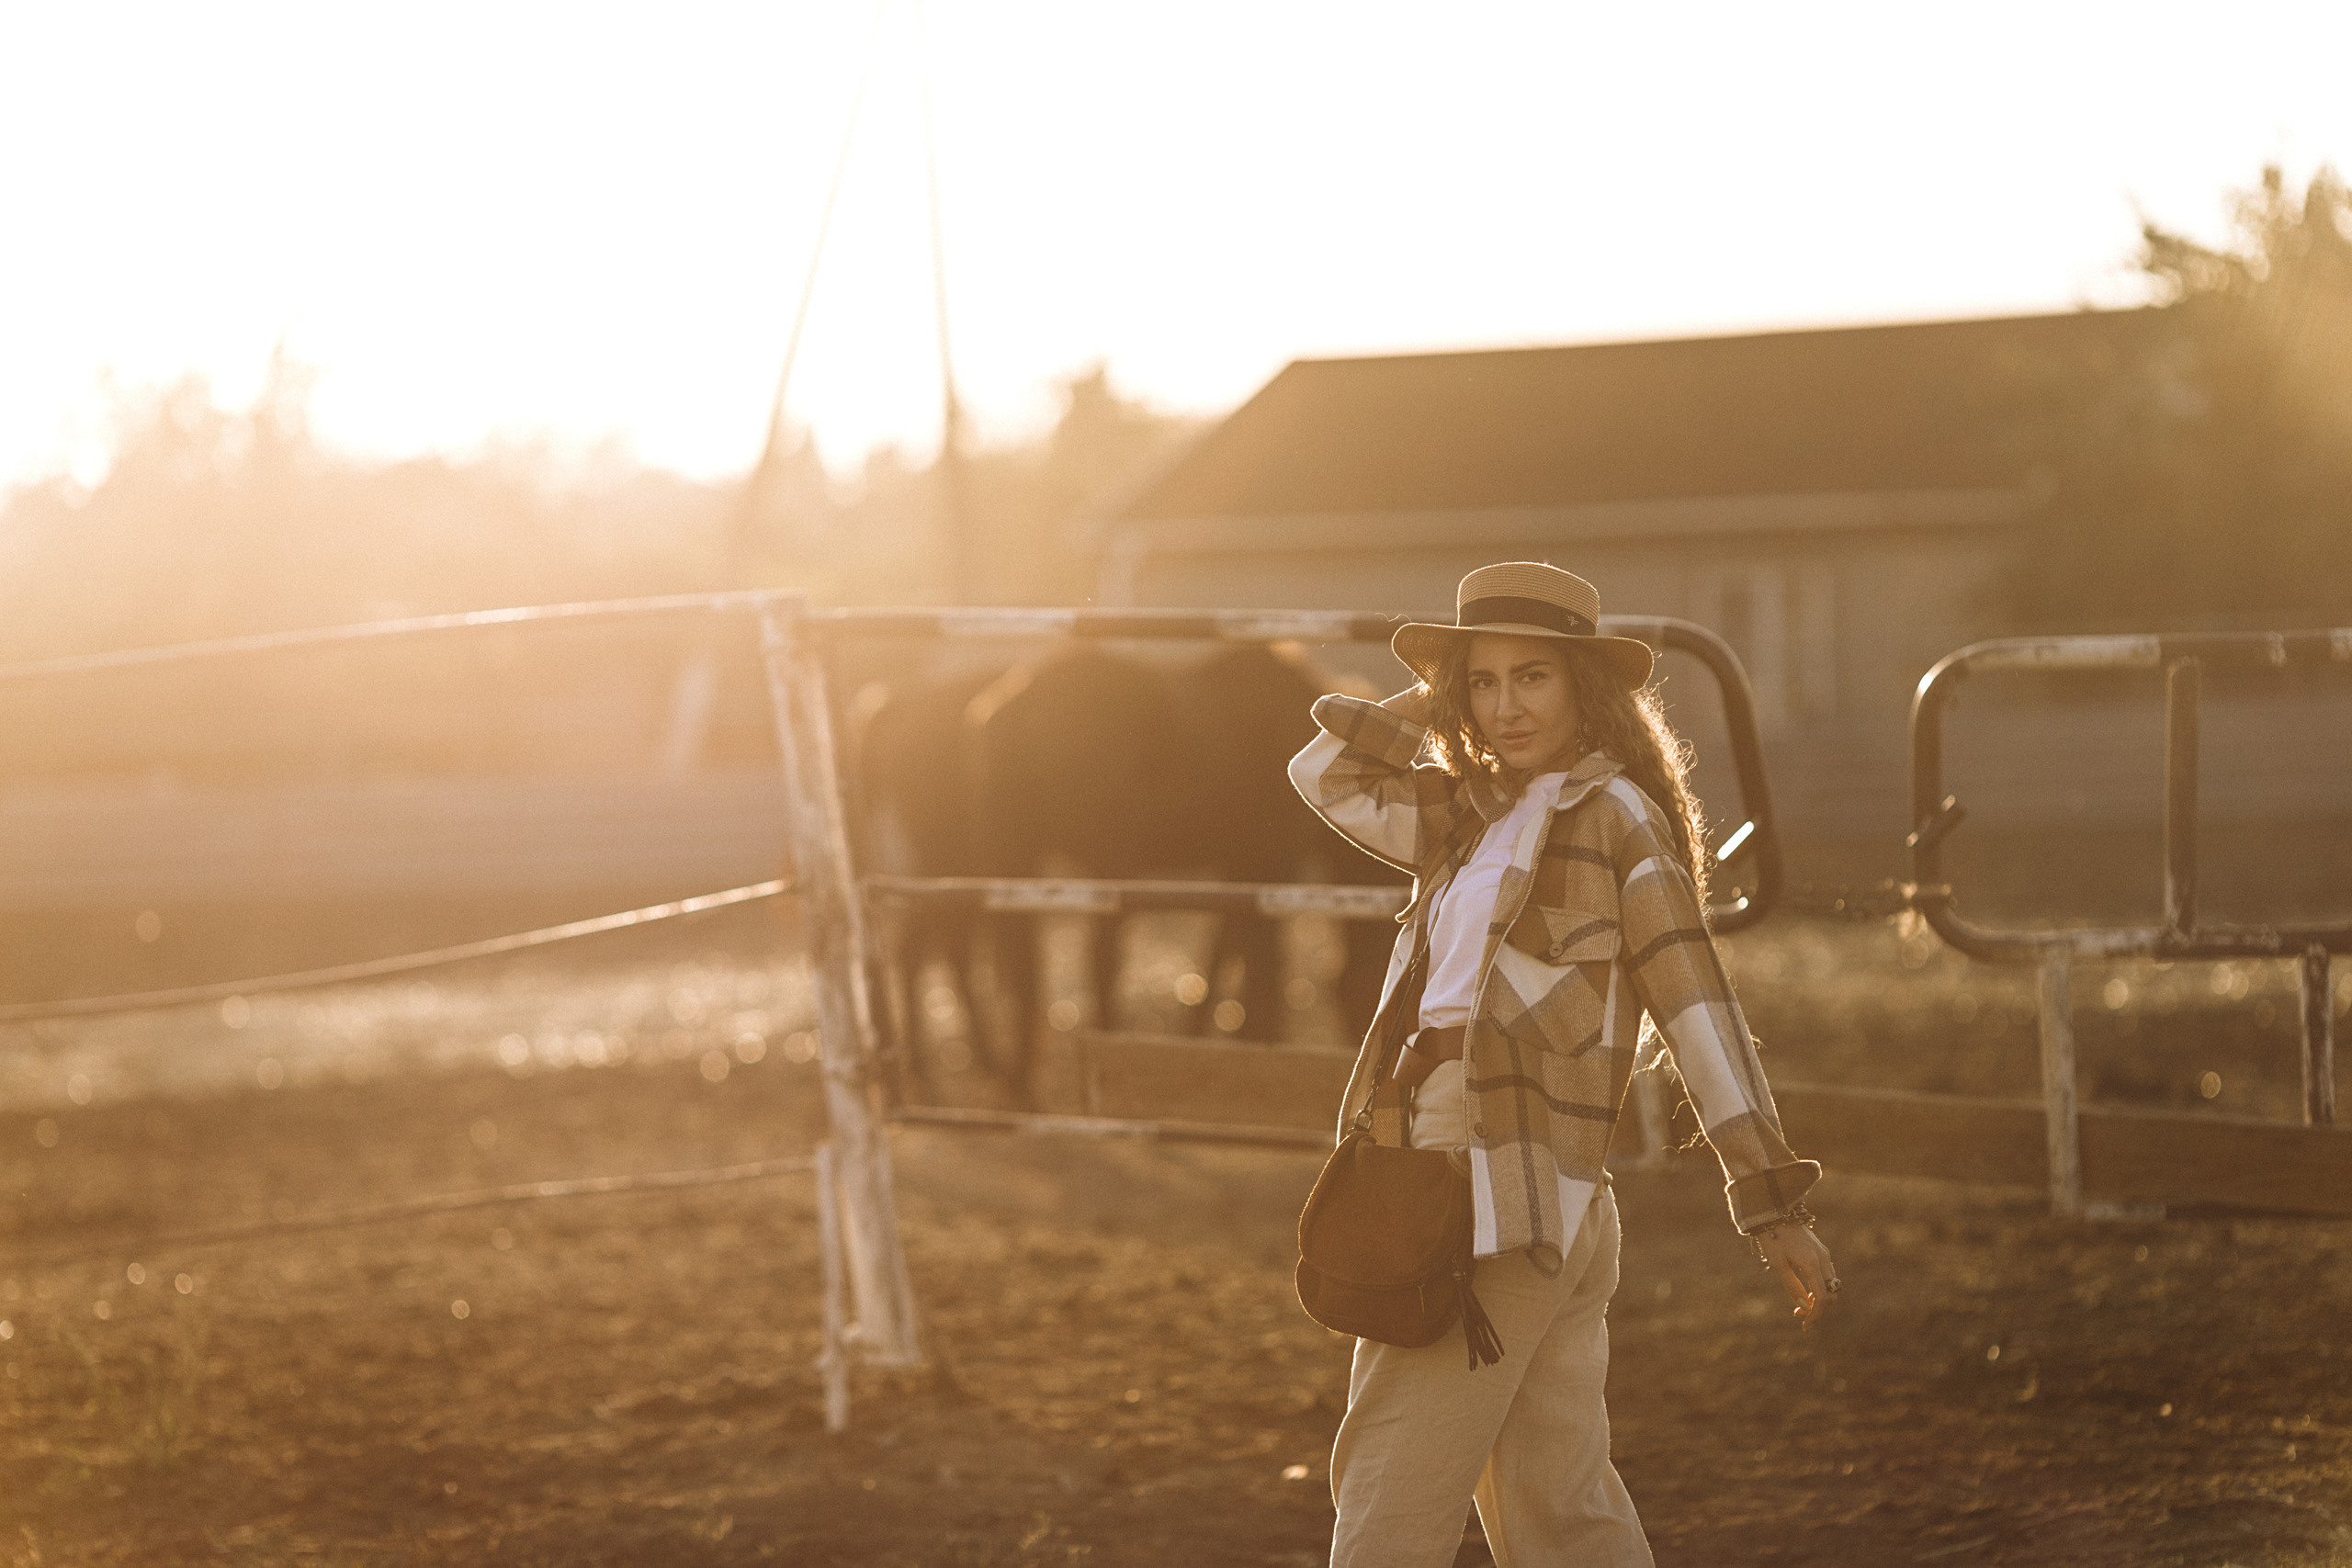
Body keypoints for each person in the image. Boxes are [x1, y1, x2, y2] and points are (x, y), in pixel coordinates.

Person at [1287, 562, 1838, 1568]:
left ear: (1586, 686)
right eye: (1485, 684)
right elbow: (1322, 771)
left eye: (1533, 677)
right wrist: (1440, 686)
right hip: (1513, 1195)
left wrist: (1770, 1199)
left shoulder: (1618, 820)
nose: (1505, 707)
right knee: (1560, 1517)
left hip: (1498, 1198)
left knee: (1386, 1507)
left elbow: (1696, 1007)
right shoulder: (1462, 812)